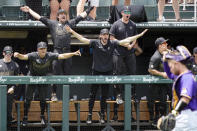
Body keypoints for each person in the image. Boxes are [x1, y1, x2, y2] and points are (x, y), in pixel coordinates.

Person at [65, 25, 148, 124]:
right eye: (103, 35)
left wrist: (139, 35)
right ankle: (90, 115)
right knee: (92, 94)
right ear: (100, 36)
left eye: (107, 35)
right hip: (96, 71)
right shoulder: (95, 43)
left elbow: (126, 40)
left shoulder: (112, 43)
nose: (105, 36)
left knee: (104, 96)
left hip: (107, 73)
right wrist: (71, 31)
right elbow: (83, 39)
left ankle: (102, 115)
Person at [20, 5, 93, 101]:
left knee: (67, 74)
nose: (63, 15)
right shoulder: (53, 23)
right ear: (58, 16)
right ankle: (53, 94)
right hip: (57, 51)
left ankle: (68, 95)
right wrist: (29, 10)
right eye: (61, 14)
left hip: (67, 50)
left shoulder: (70, 23)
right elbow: (39, 17)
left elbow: (81, 17)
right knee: (55, 73)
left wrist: (89, 9)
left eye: (65, 14)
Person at [14, 41, 81, 126]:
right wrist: (18, 54)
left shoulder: (49, 55)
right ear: (38, 49)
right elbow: (23, 57)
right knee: (28, 99)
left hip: (43, 78)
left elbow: (62, 56)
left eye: (44, 48)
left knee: (43, 99)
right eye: (41, 49)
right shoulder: (33, 55)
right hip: (32, 78)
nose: (43, 50)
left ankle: (42, 116)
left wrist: (73, 53)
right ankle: (25, 117)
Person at [109, 6, 139, 121]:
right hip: (118, 53)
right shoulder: (116, 24)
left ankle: (133, 95)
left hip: (130, 52)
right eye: (125, 12)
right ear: (122, 13)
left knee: (133, 73)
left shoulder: (133, 24)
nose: (127, 14)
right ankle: (118, 95)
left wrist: (131, 45)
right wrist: (122, 44)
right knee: (117, 74)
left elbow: (135, 37)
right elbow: (111, 38)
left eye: (129, 12)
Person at [157, 45, 197, 131]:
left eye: (171, 65)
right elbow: (170, 74)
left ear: (177, 64)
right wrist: (165, 61)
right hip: (185, 116)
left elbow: (185, 98)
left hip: (188, 117)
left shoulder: (187, 77)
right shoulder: (181, 76)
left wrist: (173, 114)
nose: (170, 67)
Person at [147, 37, 171, 125]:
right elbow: (150, 70)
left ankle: (163, 121)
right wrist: (162, 74)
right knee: (156, 103)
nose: (166, 45)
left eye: (166, 43)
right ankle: (155, 121)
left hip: (163, 84)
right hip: (155, 83)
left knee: (164, 102)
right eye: (164, 44)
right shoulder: (156, 56)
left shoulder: (166, 53)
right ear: (160, 46)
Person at [0, 46, 20, 125]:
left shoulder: (15, 65)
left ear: (12, 54)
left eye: (10, 54)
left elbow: (17, 80)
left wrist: (13, 87)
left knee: (8, 111)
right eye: (6, 53)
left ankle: (8, 126)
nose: (8, 55)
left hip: (9, 91)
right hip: (0, 90)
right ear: (3, 53)